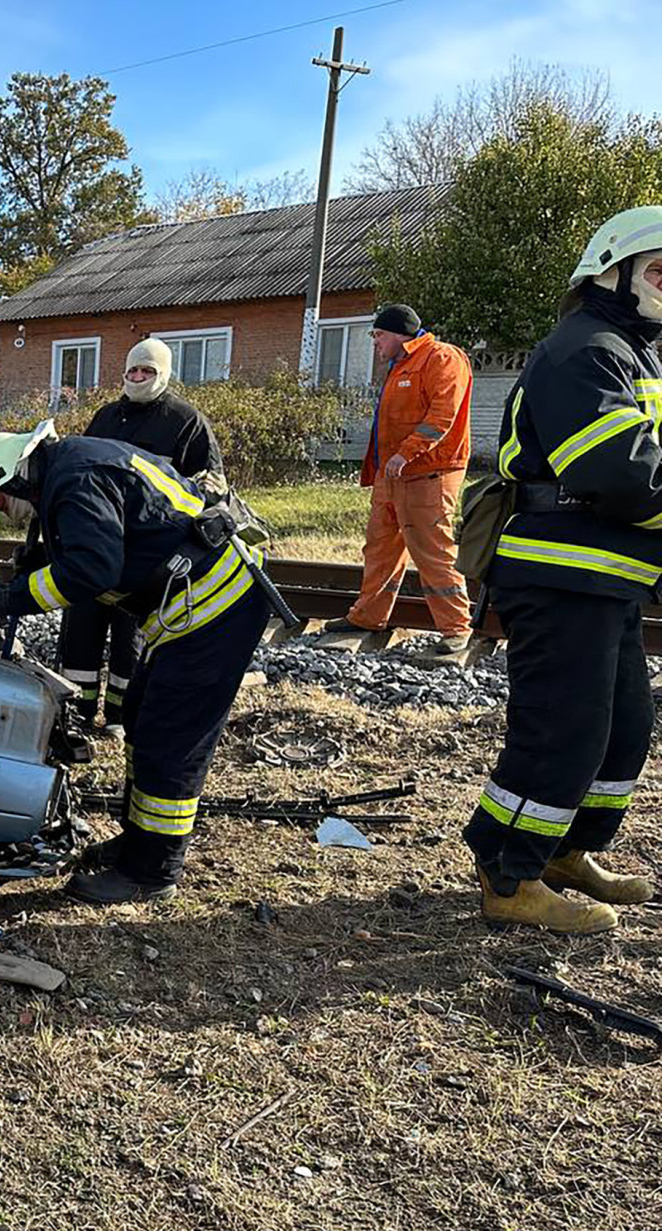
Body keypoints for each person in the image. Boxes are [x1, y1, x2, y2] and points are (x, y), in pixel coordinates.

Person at [0, 427, 270, 904]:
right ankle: (139, 842)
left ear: (15, 477)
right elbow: (124, 536)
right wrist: (47, 555)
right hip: (192, 611)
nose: (5, 511)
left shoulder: (75, 480)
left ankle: (151, 871)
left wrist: (11, 598)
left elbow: (94, 570)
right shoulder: (73, 469)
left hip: (214, 612)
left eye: (0, 503)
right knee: (144, 723)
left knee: (170, 741)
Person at [460, 207, 662, 935]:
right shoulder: (585, 348)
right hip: (558, 574)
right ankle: (506, 873)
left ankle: (563, 851)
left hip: (606, 579)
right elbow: (619, 472)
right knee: (560, 733)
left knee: (622, 732)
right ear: (611, 269)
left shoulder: (634, 353)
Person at [65, 337, 223, 732]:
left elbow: (212, 485)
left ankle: (121, 718)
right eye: (133, 371)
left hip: (146, 558)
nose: (138, 378)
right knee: (80, 632)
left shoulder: (185, 422)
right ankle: (75, 713)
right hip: (96, 546)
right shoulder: (105, 418)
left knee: (129, 640)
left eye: (147, 372)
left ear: (163, 375)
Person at [316, 304, 474, 658]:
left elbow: (442, 415)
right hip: (394, 473)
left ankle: (456, 627)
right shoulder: (400, 364)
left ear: (399, 334)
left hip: (427, 472)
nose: (374, 342)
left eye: (378, 334)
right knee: (380, 547)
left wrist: (408, 453)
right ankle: (368, 617)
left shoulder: (441, 358)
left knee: (432, 550)